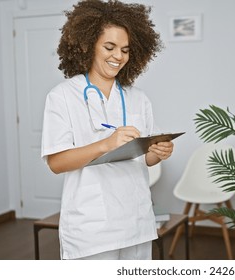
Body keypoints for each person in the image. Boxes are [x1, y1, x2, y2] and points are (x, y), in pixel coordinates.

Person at [41, 0, 173, 260]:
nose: (118, 57)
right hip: (92, 229)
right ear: (87, 45)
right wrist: (106, 143)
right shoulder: (63, 97)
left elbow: (146, 158)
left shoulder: (138, 98)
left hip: (137, 222)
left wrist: (160, 151)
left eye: (125, 50)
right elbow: (56, 162)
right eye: (109, 47)